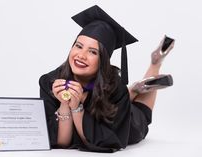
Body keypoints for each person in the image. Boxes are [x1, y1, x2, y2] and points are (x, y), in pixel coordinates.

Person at [39, 5, 175, 153]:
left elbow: (99, 143)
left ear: (103, 59)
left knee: (142, 115)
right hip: (108, 97)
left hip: (121, 118)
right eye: (78, 46)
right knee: (119, 97)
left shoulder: (115, 87)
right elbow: (62, 143)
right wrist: (65, 104)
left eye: (93, 52)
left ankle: (155, 63)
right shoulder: (50, 82)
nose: (81, 55)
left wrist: (77, 106)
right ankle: (134, 90)